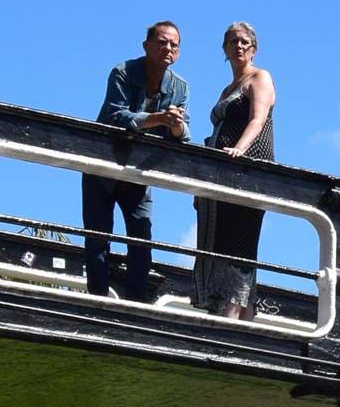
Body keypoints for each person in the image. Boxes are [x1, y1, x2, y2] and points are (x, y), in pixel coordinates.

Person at [90, 20, 189, 301]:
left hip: (140, 173)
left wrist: (176, 125)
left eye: (173, 44)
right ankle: (96, 304)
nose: (167, 48)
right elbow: (115, 116)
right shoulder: (122, 72)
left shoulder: (180, 88)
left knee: (141, 241)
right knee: (98, 239)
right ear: (147, 46)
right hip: (103, 166)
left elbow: (184, 133)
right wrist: (159, 119)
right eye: (161, 41)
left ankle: (135, 307)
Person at [196, 21, 275, 321]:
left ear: (253, 48)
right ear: (224, 49)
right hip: (220, 174)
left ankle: (231, 314)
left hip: (247, 170)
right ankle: (244, 318)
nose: (238, 46)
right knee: (219, 240)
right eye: (232, 41)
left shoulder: (260, 78)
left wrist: (239, 149)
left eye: (244, 41)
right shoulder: (226, 88)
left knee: (239, 241)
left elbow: (258, 118)